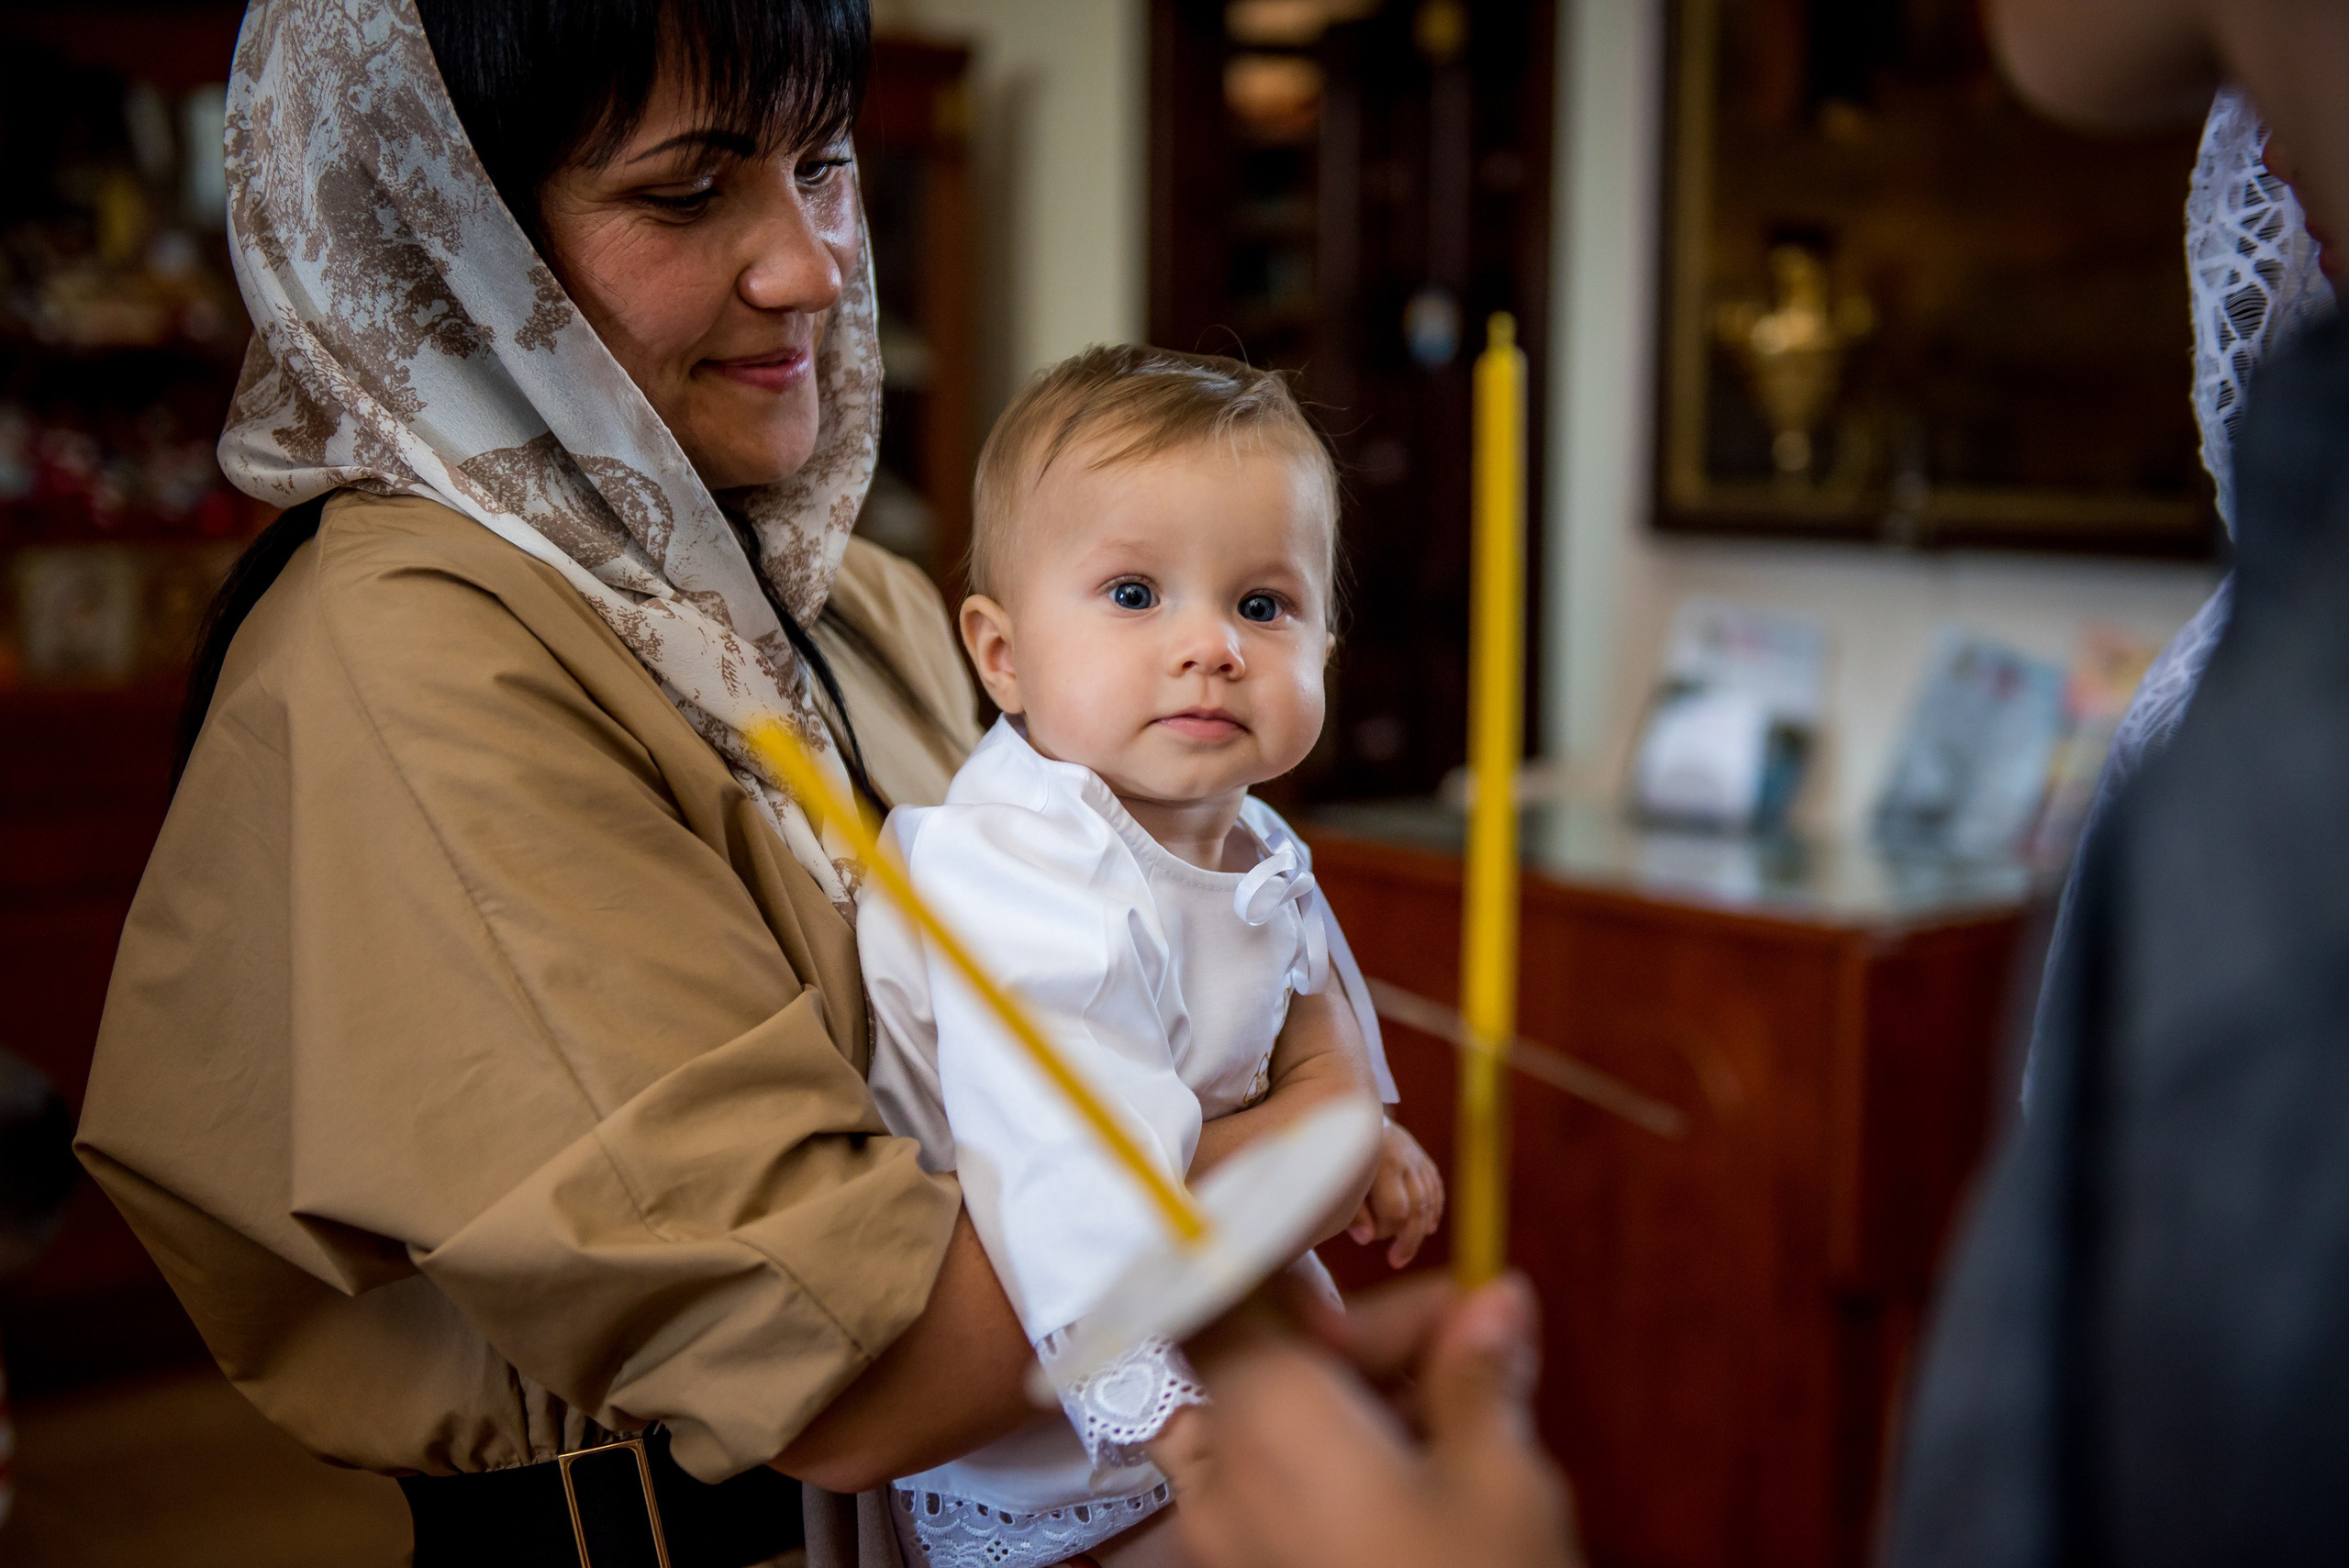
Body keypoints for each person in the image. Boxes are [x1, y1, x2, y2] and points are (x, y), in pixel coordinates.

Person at [79, 2, 1088, 1563]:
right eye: (689, 194)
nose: (812, 265)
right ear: (442, 235)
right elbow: (856, 1365)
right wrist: (1277, 1165)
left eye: (820, 164)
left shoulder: (854, 605)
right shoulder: (414, 651)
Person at [858, 346, 1444, 1567]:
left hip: (1218, 1348)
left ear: (1324, 651)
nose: (1211, 646)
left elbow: (1292, 991)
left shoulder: (1243, 827)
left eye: (1264, 605)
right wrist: (1163, 1418)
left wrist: (1364, 1128)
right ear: (1002, 653)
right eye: (1135, 594)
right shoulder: (1025, 867)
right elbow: (1061, 1159)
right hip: (1071, 1437)